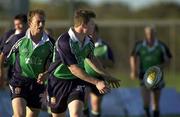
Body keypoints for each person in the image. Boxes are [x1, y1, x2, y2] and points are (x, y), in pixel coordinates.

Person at [47, 9, 120, 117]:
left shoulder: (88, 41)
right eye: (92, 24)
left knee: (76, 113)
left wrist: (106, 75)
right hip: (58, 82)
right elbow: (74, 69)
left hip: (76, 81)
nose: (94, 27)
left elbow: (91, 58)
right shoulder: (65, 41)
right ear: (83, 25)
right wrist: (96, 82)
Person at [0, 9, 54, 117]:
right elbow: (3, 56)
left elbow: (53, 62)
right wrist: (1, 72)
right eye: (38, 21)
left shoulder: (51, 43)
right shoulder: (18, 39)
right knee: (20, 115)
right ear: (30, 23)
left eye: (43, 22)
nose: (41, 24)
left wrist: (46, 74)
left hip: (37, 85)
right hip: (19, 81)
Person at [129, 26, 172, 117]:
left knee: (156, 103)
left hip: (157, 76)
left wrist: (160, 66)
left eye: (152, 33)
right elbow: (133, 56)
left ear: (155, 33)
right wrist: (133, 70)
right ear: (145, 34)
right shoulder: (139, 45)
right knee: (146, 102)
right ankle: (147, 113)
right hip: (144, 75)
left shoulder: (161, 45)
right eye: (148, 33)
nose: (150, 35)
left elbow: (168, 60)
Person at [84, 24, 114, 117]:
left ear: (96, 32)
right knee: (84, 99)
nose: (90, 34)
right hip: (85, 77)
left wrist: (100, 61)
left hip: (100, 78)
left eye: (92, 32)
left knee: (96, 104)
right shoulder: (83, 44)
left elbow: (112, 63)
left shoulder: (105, 46)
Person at [0, 14, 27, 87]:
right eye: (15, 24)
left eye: (20, 24)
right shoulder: (10, 35)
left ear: (27, 24)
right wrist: (1, 72)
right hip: (11, 71)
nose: (17, 27)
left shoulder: (31, 36)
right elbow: (2, 53)